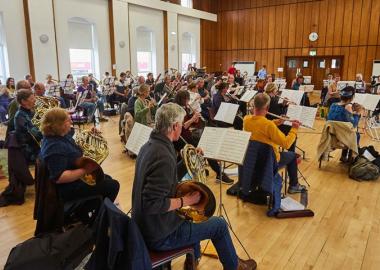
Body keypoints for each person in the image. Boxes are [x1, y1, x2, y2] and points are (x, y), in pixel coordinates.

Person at [131, 102, 257, 270]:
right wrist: (185, 200)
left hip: (145, 226)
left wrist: (187, 162)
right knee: (219, 225)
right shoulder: (163, 156)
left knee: (197, 212)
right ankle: (234, 266)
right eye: (181, 124)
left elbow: (169, 176)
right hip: (159, 235)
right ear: (174, 126)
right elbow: (151, 204)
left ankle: (193, 258)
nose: (183, 127)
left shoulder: (150, 146)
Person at [39, 108, 119, 204]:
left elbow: (76, 140)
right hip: (68, 188)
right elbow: (59, 178)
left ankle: (100, 206)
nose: (71, 122)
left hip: (74, 177)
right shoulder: (54, 146)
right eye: (69, 120)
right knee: (113, 185)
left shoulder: (59, 135)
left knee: (107, 179)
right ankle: (99, 213)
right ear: (61, 125)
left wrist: (90, 134)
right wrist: (85, 170)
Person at [244, 93, 307, 194]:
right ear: (267, 107)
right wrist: (294, 128)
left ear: (254, 105)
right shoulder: (268, 125)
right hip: (270, 160)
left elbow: (260, 125)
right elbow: (286, 144)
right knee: (293, 156)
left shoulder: (246, 119)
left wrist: (278, 122)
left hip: (254, 158)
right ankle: (294, 185)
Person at [174, 90, 234, 185]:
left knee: (187, 155)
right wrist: (192, 119)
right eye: (187, 99)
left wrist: (195, 119)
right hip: (179, 138)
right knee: (203, 150)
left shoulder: (184, 108)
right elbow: (181, 127)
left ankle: (179, 173)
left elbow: (189, 123)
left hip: (186, 135)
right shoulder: (176, 110)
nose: (188, 102)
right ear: (182, 99)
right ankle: (219, 173)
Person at [327, 86, 362, 163]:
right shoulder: (348, 106)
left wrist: (351, 114)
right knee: (356, 134)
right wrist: (357, 114)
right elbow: (353, 125)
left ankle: (343, 156)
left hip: (331, 135)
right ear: (352, 97)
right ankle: (351, 158)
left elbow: (332, 119)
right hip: (341, 138)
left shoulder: (333, 105)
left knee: (346, 130)